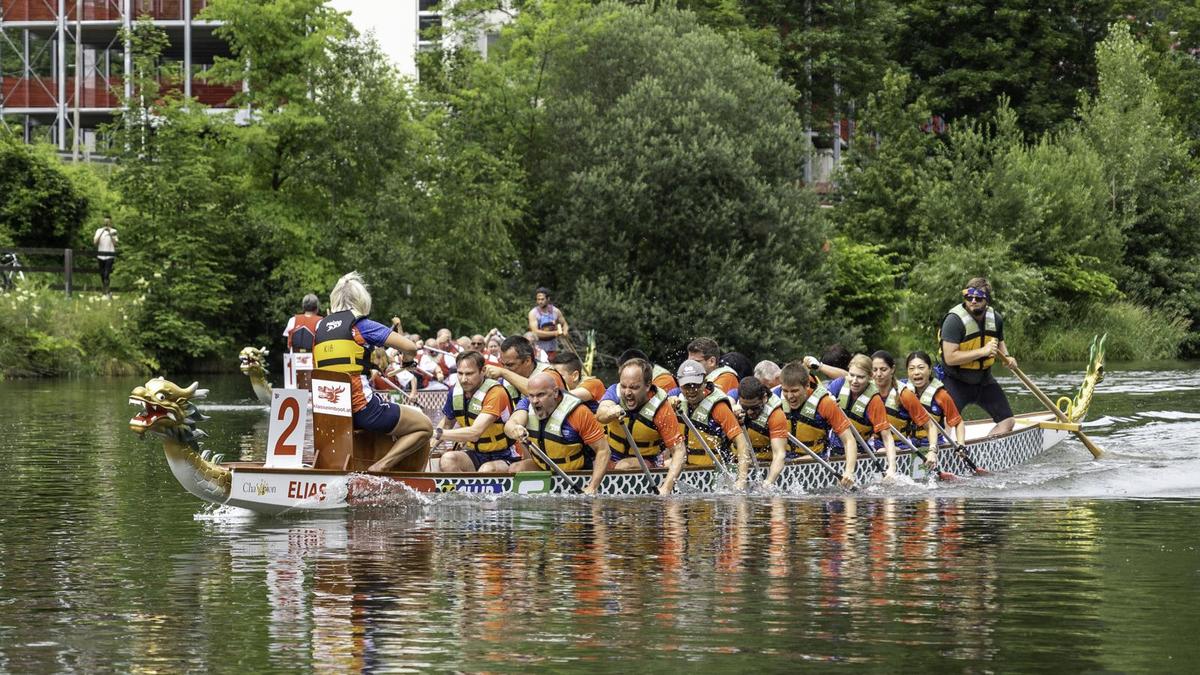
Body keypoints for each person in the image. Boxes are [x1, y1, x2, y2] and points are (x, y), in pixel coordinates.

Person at [313, 272, 433, 472]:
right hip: (364, 410)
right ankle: (380, 467)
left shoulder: (319, 329)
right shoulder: (361, 325)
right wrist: (408, 360)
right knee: (425, 426)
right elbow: (410, 347)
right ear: (362, 301)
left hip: (329, 412)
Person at [505, 372, 611, 494]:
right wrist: (515, 429)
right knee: (516, 468)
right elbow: (511, 423)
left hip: (577, 471)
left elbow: (603, 450)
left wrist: (592, 487)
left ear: (555, 392)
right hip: (544, 467)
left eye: (541, 395)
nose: (534, 401)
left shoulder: (579, 412)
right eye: (531, 395)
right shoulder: (526, 403)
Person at [595, 358, 687, 495]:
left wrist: (666, 488)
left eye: (634, 387)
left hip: (646, 461)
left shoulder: (661, 409)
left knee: (624, 465)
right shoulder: (615, 392)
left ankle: (663, 466)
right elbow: (600, 414)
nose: (627, 392)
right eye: (624, 386)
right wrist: (610, 412)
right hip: (611, 456)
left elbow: (679, 451)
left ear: (648, 385)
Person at [940, 277, 1017, 435]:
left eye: (978, 298)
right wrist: (982, 351)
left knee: (1008, 422)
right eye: (969, 297)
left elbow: (999, 340)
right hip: (955, 381)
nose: (973, 301)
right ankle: (945, 456)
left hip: (983, 380)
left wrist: (1008, 357)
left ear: (987, 300)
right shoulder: (954, 321)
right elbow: (950, 358)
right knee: (945, 426)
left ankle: (987, 454)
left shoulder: (995, 319)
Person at [777, 361, 858, 488]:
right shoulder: (774, 396)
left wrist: (848, 471)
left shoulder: (825, 403)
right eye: (785, 391)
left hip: (816, 461)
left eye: (794, 391)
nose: (789, 396)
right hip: (781, 461)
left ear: (807, 385)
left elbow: (849, 440)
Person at [437, 350, 519, 473]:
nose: (464, 379)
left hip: (506, 455)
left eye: (469, 374)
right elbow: (447, 424)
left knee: (486, 470)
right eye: (460, 373)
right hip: (476, 453)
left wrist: (435, 433)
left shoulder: (496, 392)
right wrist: (429, 446)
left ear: (483, 371)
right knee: (447, 459)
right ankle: (461, 492)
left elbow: (475, 433)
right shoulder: (455, 392)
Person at [674, 359, 751, 489]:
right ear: (680, 385)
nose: (692, 390)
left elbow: (742, 443)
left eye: (696, 384)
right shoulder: (675, 401)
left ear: (704, 382)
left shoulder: (718, 407)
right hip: (688, 469)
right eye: (687, 386)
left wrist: (741, 480)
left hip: (718, 471)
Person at [869, 350, 936, 473]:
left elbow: (930, 426)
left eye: (883, 369)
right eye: (874, 370)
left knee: (881, 451)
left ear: (892, 369)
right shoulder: (864, 390)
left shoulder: (905, 395)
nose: (878, 374)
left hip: (900, 447)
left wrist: (932, 451)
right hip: (870, 446)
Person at [905, 351, 965, 448]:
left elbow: (958, 422)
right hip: (909, 444)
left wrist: (961, 444)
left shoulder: (942, 395)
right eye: (911, 369)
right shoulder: (903, 392)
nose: (916, 372)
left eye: (921, 368)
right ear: (907, 372)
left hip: (935, 444)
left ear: (929, 370)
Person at [736, 376, 789, 487]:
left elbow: (779, 454)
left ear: (764, 398)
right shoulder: (736, 401)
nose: (749, 412)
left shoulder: (776, 415)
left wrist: (768, 482)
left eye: (755, 407)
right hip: (737, 464)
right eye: (745, 407)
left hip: (764, 464)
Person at [484, 335, 566, 401]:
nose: (505, 368)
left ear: (527, 360)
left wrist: (503, 373)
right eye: (503, 364)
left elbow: (535, 391)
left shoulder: (550, 374)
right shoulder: (503, 381)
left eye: (510, 365)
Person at [528, 287, 568, 361]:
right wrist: (555, 333)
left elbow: (564, 323)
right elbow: (535, 332)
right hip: (538, 348)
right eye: (538, 299)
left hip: (552, 347)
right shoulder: (533, 313)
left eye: (542, 299)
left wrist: (565, 331)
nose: (540, 302)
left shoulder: (556, 311)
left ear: (548, 299)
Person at [92, 215, 118, 297]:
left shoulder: (114, 231)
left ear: (111, 222)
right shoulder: (99, 230)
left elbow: (115, 244)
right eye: (105, 222)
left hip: (110, 255)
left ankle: (106, 291)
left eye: (108, 222)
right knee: (102, 274)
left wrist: (109, 233)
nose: (106, 223)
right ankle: (106, 290)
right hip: (100, 255)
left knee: (107, 273)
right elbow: (95, 242)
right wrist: (103, 232)